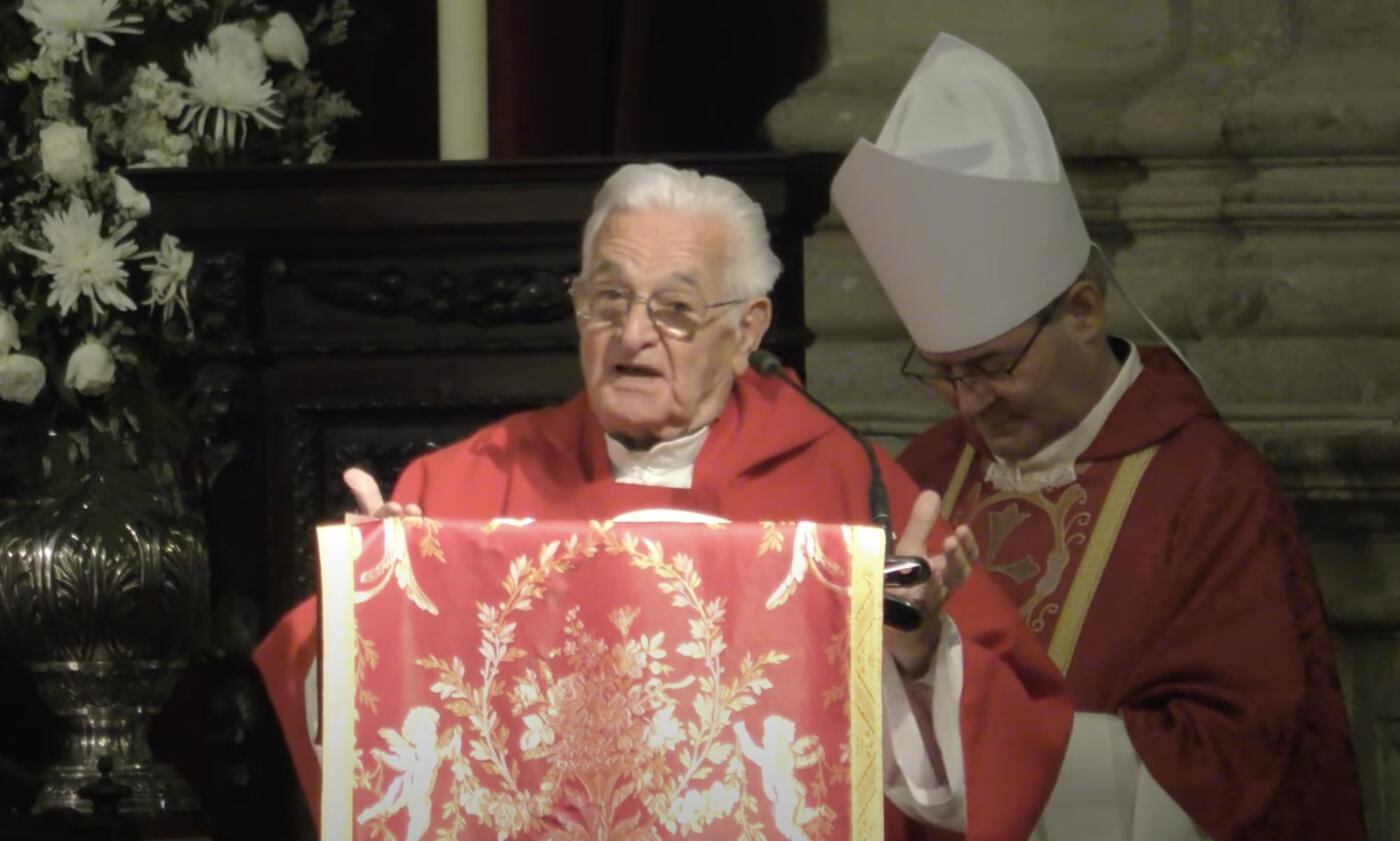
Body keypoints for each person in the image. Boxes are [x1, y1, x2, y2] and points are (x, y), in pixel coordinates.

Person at [254, 162, 1071, 841]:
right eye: (608, 299)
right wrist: (381, 603)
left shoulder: (844, 486)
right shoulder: (468, 486)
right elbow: (367, 758)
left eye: (675, 309)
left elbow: (996, 762)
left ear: (748, 330)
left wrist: (920, 651)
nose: (632, 334)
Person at [833, 32, 1367, 840]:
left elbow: (1232, 763)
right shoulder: (929, 472)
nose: (968, 404)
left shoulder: (1209, 490)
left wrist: (990, 738)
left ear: (1083, 311)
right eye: (941, 371)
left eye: (990, 364)